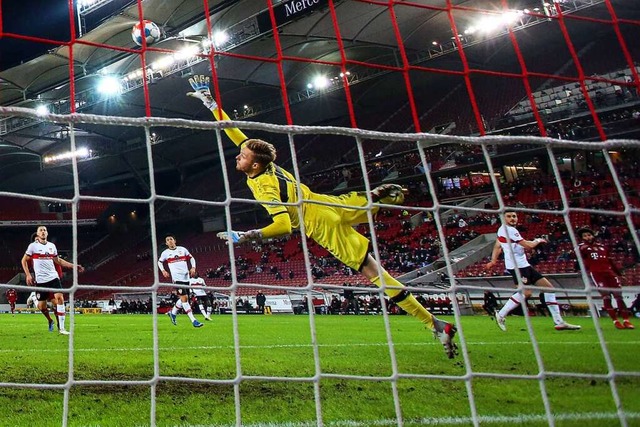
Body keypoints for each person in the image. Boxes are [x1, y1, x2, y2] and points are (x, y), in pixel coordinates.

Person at [187, 75, 458, 358]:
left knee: (375, 273)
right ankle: (375, 197)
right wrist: (211, 103)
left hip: (318, 222)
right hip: (325, 202)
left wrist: (247, 235)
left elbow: (282, 225)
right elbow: (234, 132)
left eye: (241, 157)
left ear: (254, 164)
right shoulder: (268, 166)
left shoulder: (264, 186)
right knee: (366, 213)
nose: (237, 157)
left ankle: (435, 324)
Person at [485, 211, 580, 331]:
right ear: (503, 218)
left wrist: (493, 261)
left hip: (524, 265)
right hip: (517, 266)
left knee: (549, 288)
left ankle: (559, 322)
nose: (512, 218)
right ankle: (501, 314)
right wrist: (538, 240)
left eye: (514, 216)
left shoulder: (502, 230)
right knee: (526, 293)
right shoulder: (510, 230)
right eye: (509, 216)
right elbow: (528, 246)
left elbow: (497, 246)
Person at [21, 225, 84, 335]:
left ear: (47, 233)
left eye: (45, 230)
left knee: (59, 299)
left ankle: (62, 328)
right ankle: (50, 320)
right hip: (41, 281)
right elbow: (23, 260)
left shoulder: (52, 246)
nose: (43, 232)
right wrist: (28, 275)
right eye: (41, 230)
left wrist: (73, 266)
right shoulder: (32, 247)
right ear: (37, 234)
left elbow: (58, 260)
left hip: (53, 277)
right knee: (41, 306)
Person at [577, 227, 634, 329]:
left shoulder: (603, 247)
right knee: (606, 297)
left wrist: (620, 275)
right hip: (597, 275)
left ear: (593, 235)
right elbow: (579, 258)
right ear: (582, 238)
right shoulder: (582, 248)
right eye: (585, 236)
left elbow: (611, 262)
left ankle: (626, 320)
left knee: (619, 296)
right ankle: (615, 321)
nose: (588, 237)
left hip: (610, 273)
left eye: (589, 235)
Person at [158, 234, 203, 328]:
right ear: (166, 243)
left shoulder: (182, 249)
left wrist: (193, 267)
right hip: (177, 279)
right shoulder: (165, 253)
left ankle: (173, 313)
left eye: (171, 239)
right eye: (167, 240)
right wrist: (163, 270)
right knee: (184, 300)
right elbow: (160, 262)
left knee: (184, 299)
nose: (169, 241)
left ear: (175, 241)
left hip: (186, 278)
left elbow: (191, 258)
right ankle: (194, 321)